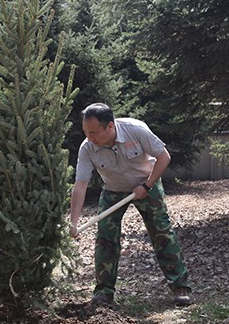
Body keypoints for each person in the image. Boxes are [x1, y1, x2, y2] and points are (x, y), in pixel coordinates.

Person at [69, 103, 193, 307]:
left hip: (147, 183)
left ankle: (180, 286)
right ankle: (104, 293)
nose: (89, 138)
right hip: (113, 190)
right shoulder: (87, 148)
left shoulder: (136, 130)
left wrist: (146, 185)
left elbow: (164, 157)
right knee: (105, 238)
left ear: (110, 126)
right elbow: (81, 185)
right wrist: (73, 222)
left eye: (93, 132)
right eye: (86, 132)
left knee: (161, 232)